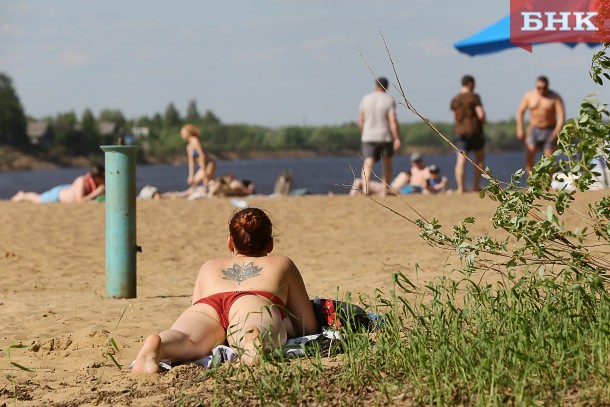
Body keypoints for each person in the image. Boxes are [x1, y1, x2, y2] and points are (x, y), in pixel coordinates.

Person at [132, 207, 319, 373]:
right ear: (270, 244)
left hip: (208, 306)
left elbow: (195, 305)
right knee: (256, 328)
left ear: (230, 243)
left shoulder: (209, 266)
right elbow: (308, 326)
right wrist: (285, 323)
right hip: (253, 300)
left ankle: (159, 344)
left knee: (187, 338)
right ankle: (251, 341)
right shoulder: (282, 263)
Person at [358, 76, 401, 196]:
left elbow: (361, 119)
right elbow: (393, 120)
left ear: (376, 86)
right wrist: (397, 138)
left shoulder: (365, 99)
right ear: (386, 87)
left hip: (368, 136)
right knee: (387, 163)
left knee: (368, 161)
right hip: (385, 136)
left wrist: (363, 133)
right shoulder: (389, 100)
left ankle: (366, 189)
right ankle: (383, 190)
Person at [516, 76, 565, 174]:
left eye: (544, 88)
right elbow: (520, 112)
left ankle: (547, 184)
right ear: (536, 86)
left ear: (548, 86)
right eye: (539, 88)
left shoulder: (555, 97)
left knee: (549, 159)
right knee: (529, 154)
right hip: (534, 129)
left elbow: (561, 115)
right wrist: (520, 129)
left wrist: (557, 130)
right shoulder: (529, 96)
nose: (542, 90)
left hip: (550, 130)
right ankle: (532, 183)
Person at [450, 74, 486, 193]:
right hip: (474, 131)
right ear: (471, 84)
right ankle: (476, 186)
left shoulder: (455, 99)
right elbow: (480, 115)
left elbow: (454, 117)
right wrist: (484, 120)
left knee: (461, 160)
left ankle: (461, 188)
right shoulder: (474, 97)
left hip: (460, 132)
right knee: (479, 160)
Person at [10, 165, 105, 203]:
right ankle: (22, 195)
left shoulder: (98, 184)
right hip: (58, 195)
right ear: (97, 178)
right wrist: (96, 192)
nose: (105, 180)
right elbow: (80, 201)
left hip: (67, 189)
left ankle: (23, 195)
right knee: (38, 199)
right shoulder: (82, 181)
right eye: (103, 178)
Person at [349, 152, 431, 196]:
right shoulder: (411, 170)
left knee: (403, 176)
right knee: (358, 181)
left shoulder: (426, 171)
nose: (415, 164)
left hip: (396, 190)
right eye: (414, 161)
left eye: (417, 161)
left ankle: (354, 198)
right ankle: (352, 198)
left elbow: (426, 185)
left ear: (421, 161)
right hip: (390, 188)